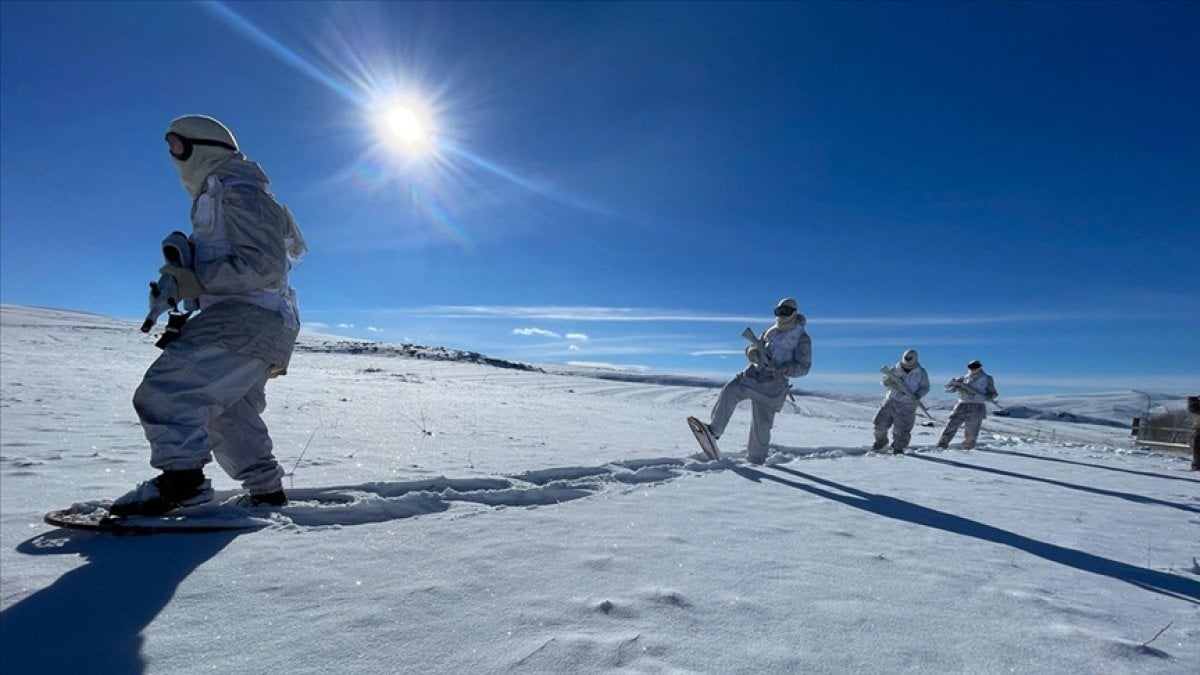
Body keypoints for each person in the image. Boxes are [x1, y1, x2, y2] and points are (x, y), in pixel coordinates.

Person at [110, 114, 305, 517]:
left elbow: (263, 265)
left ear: (205, 146)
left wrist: (195, 278)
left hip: (247, 317)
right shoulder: (220, 194)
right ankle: (266, 492)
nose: (174, 156)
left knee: (168, 392)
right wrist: (179, 282)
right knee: (229, 413)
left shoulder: (239, 191)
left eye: (178, 145)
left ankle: (183, 481)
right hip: (259, 321)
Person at [701, 298, 812, 465]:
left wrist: (784, 369)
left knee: (761, 428)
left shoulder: (802, 338)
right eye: (778, 311)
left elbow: (803, 367)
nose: (781, 316)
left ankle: (755, 463)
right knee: (730, 391)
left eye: (786, 312)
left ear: (794, 313)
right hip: (753, 375)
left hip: (772, 386)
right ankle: (713, 432)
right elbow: (755, 346)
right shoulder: (770, 332)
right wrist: (752, 352)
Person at [873, 349, 930, 454]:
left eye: (910, 358)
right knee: (879, 424)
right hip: (891, 400)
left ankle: (898, 448)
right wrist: (888, 383)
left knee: (902, 429)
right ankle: (880, 441)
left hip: (908, 404)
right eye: (906, 358)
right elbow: (884, 380)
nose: (908, 360)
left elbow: (925, 387)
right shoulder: (895, 369)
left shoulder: (921, 372)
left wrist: (917, 395)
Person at [937, 359, 998, 450]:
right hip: (962, 404)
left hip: (977, 406)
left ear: (980, 366)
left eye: (975, 366)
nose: (973, 368)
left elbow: (993, 393)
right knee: (951, 424)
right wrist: (956, 386)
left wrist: (990, 396)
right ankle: (942, 444)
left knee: (972, 429)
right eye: (971, 366)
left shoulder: (987, 378)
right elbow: (947, 389)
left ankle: (968, 448)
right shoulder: (963, 378)